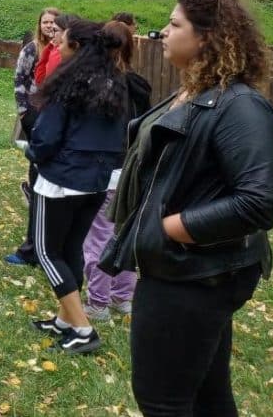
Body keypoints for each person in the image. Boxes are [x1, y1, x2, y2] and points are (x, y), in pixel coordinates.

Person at [102, 0, 273, 415]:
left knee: (162, 401)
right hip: (184, 269)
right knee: (207, 394)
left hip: (193, 273)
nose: (164, 32)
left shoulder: (240, 106)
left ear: (207, 37)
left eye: (176, 24)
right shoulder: (196, 92)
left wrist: (168, 230)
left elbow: (259, 201)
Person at [27, 19, 129, 355]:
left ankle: (83, 329)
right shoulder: (115, 83)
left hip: (61, 181)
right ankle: (65, 320)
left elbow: (46, 137)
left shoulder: (69, 83)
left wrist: (33, 151)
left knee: (46, 251)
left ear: (78, 49)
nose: (56, 45)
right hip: (97, 182)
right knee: (71, 248)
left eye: (63, 42)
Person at [81, 19, 152, 321]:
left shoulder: (97, 84)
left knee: (99, 236)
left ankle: (98, 302)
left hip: (106, 169)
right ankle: (123, 296)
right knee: (123, 232)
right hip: (130, 170)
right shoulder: (137, 85)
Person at [5, 8, 63, 266]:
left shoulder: (62, 51)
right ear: (40, 25)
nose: (49, 26)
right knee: (38, 173)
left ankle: (41, 247)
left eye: (54, 22)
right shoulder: (33, 49)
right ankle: (35, 245)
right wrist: (24, 111)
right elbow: (20, 78)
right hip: (34, 113)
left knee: (45, 179)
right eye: (46, 22)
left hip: (54, 117)